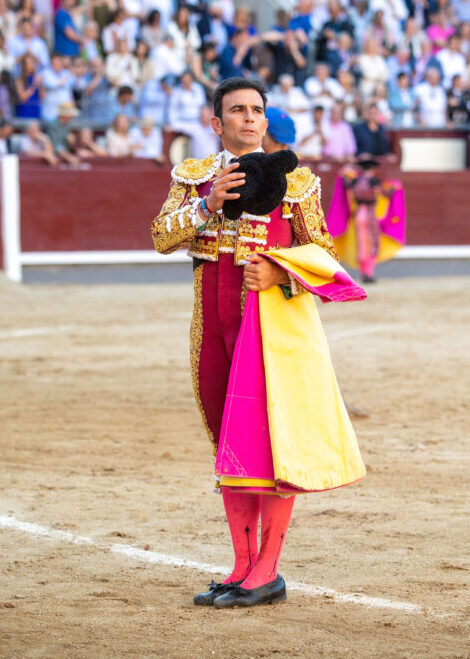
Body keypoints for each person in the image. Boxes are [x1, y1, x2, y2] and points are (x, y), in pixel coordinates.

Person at [150, 77, 356, 609]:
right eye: (237, 110)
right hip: (212, 328)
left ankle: (267, 570)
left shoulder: (298, 183)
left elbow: (326, 256)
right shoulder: (195, 178)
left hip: (269, 332)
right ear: (216, 123)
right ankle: (242, 566)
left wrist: (281, 274)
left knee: (271, 442)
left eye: (256, 110)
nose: (248, 117)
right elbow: (161, 237)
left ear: (265, 120)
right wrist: (207, 205)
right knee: (229, 444)